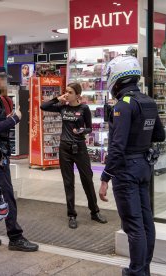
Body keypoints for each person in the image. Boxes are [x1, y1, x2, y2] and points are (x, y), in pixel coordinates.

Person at [98, 56, 166, 276]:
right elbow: (160, 134)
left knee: (133, 224)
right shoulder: (148, 101)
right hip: (144, 166)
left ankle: (136, 272)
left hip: (126, 169)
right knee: (146, 222)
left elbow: (117, 147)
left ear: (116, 78)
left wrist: (105, 177)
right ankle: (143, 269)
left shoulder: (123, 105)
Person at [0, 66, 39, 252]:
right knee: (7, 195)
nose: (7, 83)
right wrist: (15, 118)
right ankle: (15, 237)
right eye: (5, 79)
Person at [40, 83, 107, 229]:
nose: (67, 94)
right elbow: (43, 106)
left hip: (80, 148)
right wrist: (59, 98)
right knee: (68, 182)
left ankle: (94, 211)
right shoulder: (62, 107)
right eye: (66, 92)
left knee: (87, 179)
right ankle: (71, 215)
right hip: (64, 148)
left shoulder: (84, 108)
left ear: (77, 95)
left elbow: (89, 127)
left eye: (70, 92)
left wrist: (82, 131)